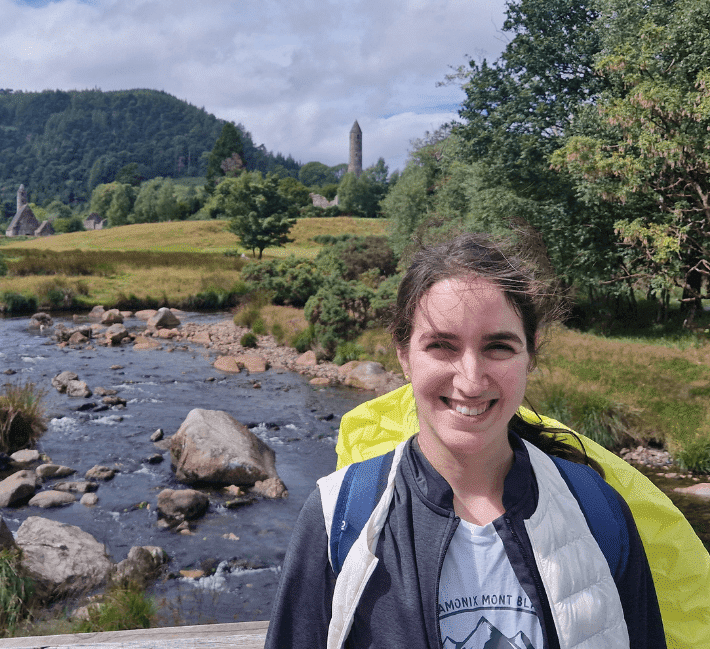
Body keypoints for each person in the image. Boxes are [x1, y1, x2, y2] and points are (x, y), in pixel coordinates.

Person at [265, 233, 668, 649]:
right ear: (404, 355)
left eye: (498, 346)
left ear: (530, 355)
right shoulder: (339, 517)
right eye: (441, 345)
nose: (471, 381)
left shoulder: (597, 509)